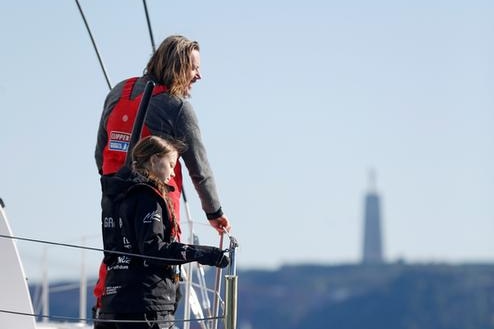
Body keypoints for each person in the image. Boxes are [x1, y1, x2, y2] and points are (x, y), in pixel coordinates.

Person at [93, 35, 232, 322]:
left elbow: (99, 150)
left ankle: (103, 315)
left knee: (114, 265)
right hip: (156, 204)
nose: (199, 75)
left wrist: (115, 189)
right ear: (179, 67)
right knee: (160, 270)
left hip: (113, 201)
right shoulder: (178, 107)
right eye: (194, 68)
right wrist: (214, 212)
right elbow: (199, 167)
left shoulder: (118, 91)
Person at [96, 135, 229, 329]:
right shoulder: (148, 197)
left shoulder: (117, 195)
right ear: (154, 160)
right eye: (172, 164)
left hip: (113, 302)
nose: (173, 174)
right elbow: (153, 248)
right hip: (146, 305)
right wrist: (202, 254)